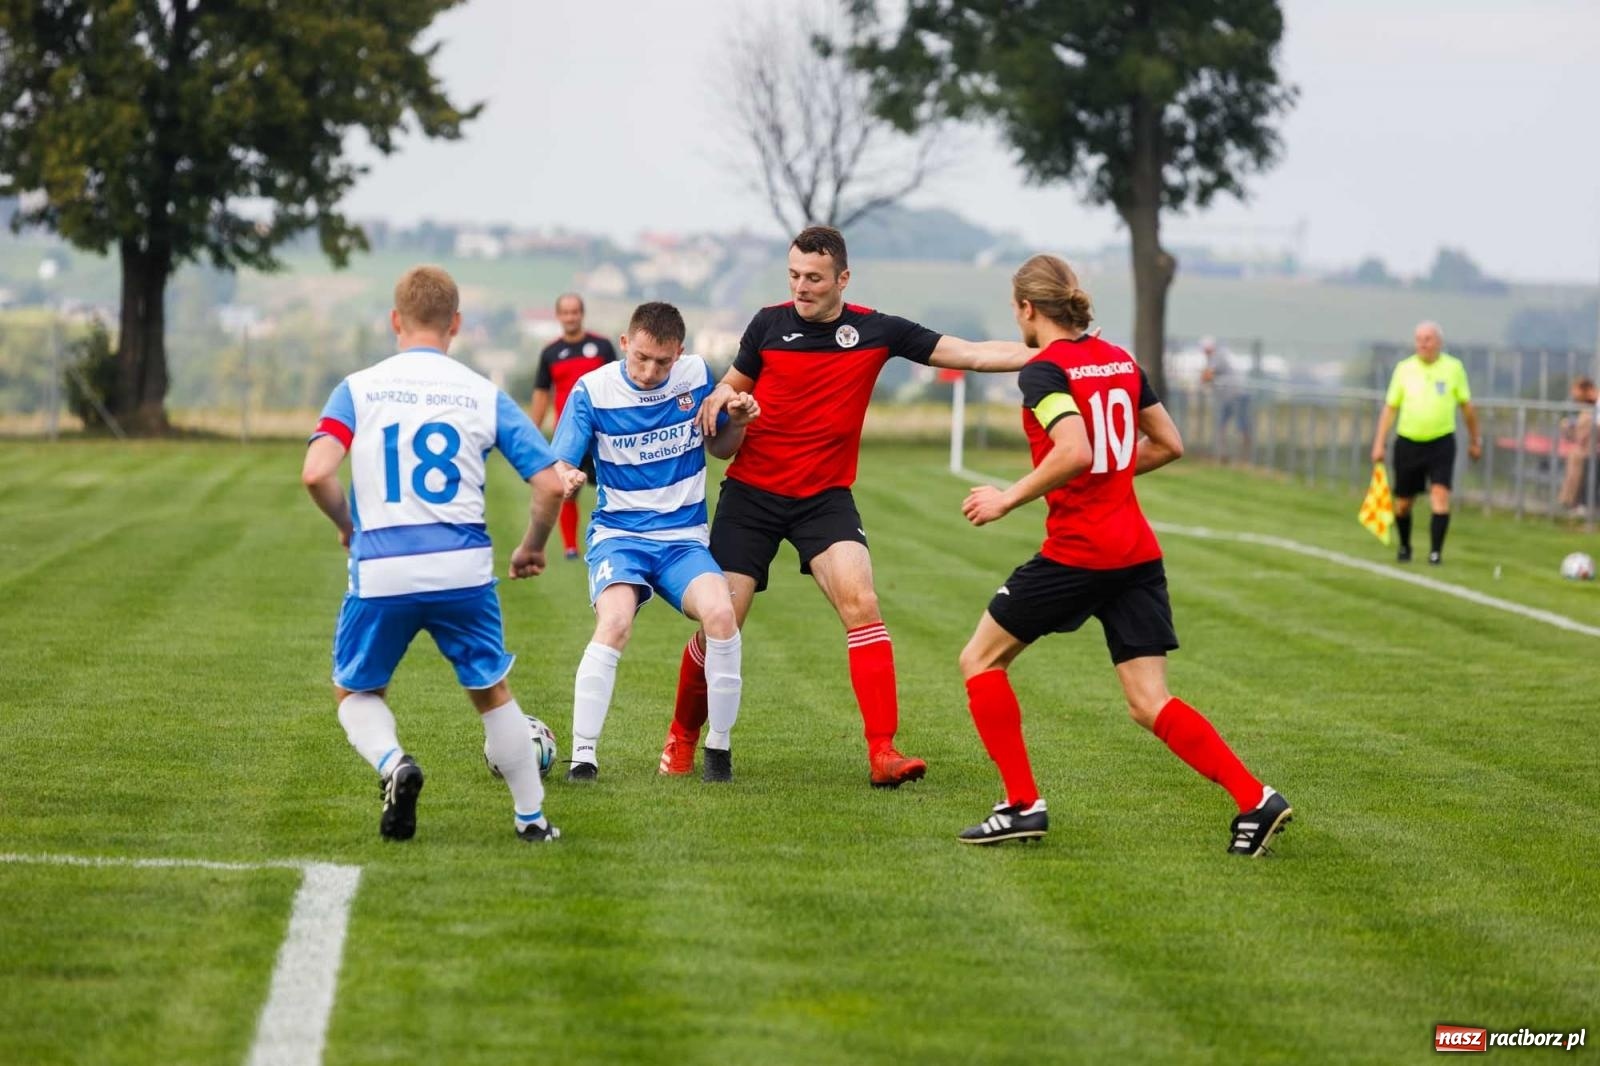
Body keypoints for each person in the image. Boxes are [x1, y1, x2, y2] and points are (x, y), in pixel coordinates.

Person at [665, 224, 1036, 788]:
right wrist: (728, 406)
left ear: (843, 278)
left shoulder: (875, 330)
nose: (801, 287)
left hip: (824, 500)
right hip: (752, 497)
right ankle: (683, 735)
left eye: (813, 278)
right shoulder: (766, 324)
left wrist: (1054, 349)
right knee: (724, 623)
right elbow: (721, 399)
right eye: (793, 275)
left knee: (862, 602)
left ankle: (883, 753)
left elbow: (972, 354)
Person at [953, 254, 1292, 855]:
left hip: (1079, 553)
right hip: (1135, 551)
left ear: (1029, 309)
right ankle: (1255, 799)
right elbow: (1170, 443)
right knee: (1148, 701)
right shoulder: (1120, 360)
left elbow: (1075, 450)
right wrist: (1107, 468)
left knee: (979, 660)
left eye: (1017, 310)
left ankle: (1021, 804)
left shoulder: (1043, 372)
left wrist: (1007, 498)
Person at [302, 265, 568, 845]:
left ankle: (395, 764)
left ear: (396, 321)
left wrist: (348, 525)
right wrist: (531, 547)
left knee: (356, 691)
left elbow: (316, 472)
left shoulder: (358, 388)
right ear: (457, 325)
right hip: (461, 567)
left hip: (382, 568)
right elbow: (550, 484)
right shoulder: (480, 392)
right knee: (491, 692)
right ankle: (531, 819)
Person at [550, 301, 760, 783]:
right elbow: (561, 462)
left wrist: (740, 423)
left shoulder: (696, 376)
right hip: (620, 536)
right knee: (616, 622)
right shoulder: (593, 391)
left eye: (662, 362)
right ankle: (583, 756)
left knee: (723, 616)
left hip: (682, 539)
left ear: (679, 353)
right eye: (640, 357)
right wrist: (567, 476)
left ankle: (718, 751)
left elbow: (721, 448)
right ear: (625, 343)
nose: (649, 371)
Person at [1369, 321, 1481, 565]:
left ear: (1438, 342)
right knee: (1403, 503)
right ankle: (1405, 546)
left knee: (1440, 494)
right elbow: (1390, 408)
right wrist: (1379, 442)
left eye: (1428, 339)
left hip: (1441, 442)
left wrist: (1475, 439)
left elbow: (1467, 408)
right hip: (1408, 442)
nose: (1423, 343)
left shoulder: (1453, 369)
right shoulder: (1404, 369)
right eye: (1419, 339)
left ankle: (1435, 553)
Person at [531, 293, 618, 560]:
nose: (570, 317)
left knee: (614, 486)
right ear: (559, 316)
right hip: (569, 435)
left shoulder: (602, 347)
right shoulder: (550, 353)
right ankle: (571, 547)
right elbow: (541, 394)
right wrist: (532, 434)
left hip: (604, 432)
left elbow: (618, 385)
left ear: (582, 314)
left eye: (575, 312)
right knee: (567, 489)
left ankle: (616, 537)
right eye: (565, 312)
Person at [1199, 336, 1251, 462]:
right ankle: (1223, 455)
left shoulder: (1218, 357)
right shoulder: (1215, 358)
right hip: (1226, 398)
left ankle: (1244, 457)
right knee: (1221, 426)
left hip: (1236, 396)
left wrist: (1203, 378)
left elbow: (1207, 376)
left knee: (1241, 426)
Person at [1558, 376, 1599, 515]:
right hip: (1589, 449)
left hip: (1594, 450)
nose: (1574, 396)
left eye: (1576, 392)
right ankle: (1569, 501)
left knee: (1580, 457)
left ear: (1586, 390)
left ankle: (1579, 503)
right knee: (1575, 455)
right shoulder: (1587, 409)